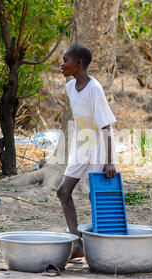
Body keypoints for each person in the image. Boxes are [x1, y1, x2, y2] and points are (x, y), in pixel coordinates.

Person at [57, 45, 117, 258]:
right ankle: (77, 245)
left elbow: (106, 126)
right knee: (63, 191)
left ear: (79, 63)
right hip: (81, 143)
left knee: (97, 196)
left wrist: (109, 161)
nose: (62, 64)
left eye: (66, 60)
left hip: (100, 145)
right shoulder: (70, 87)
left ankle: (104, 246)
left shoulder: (95, 88)